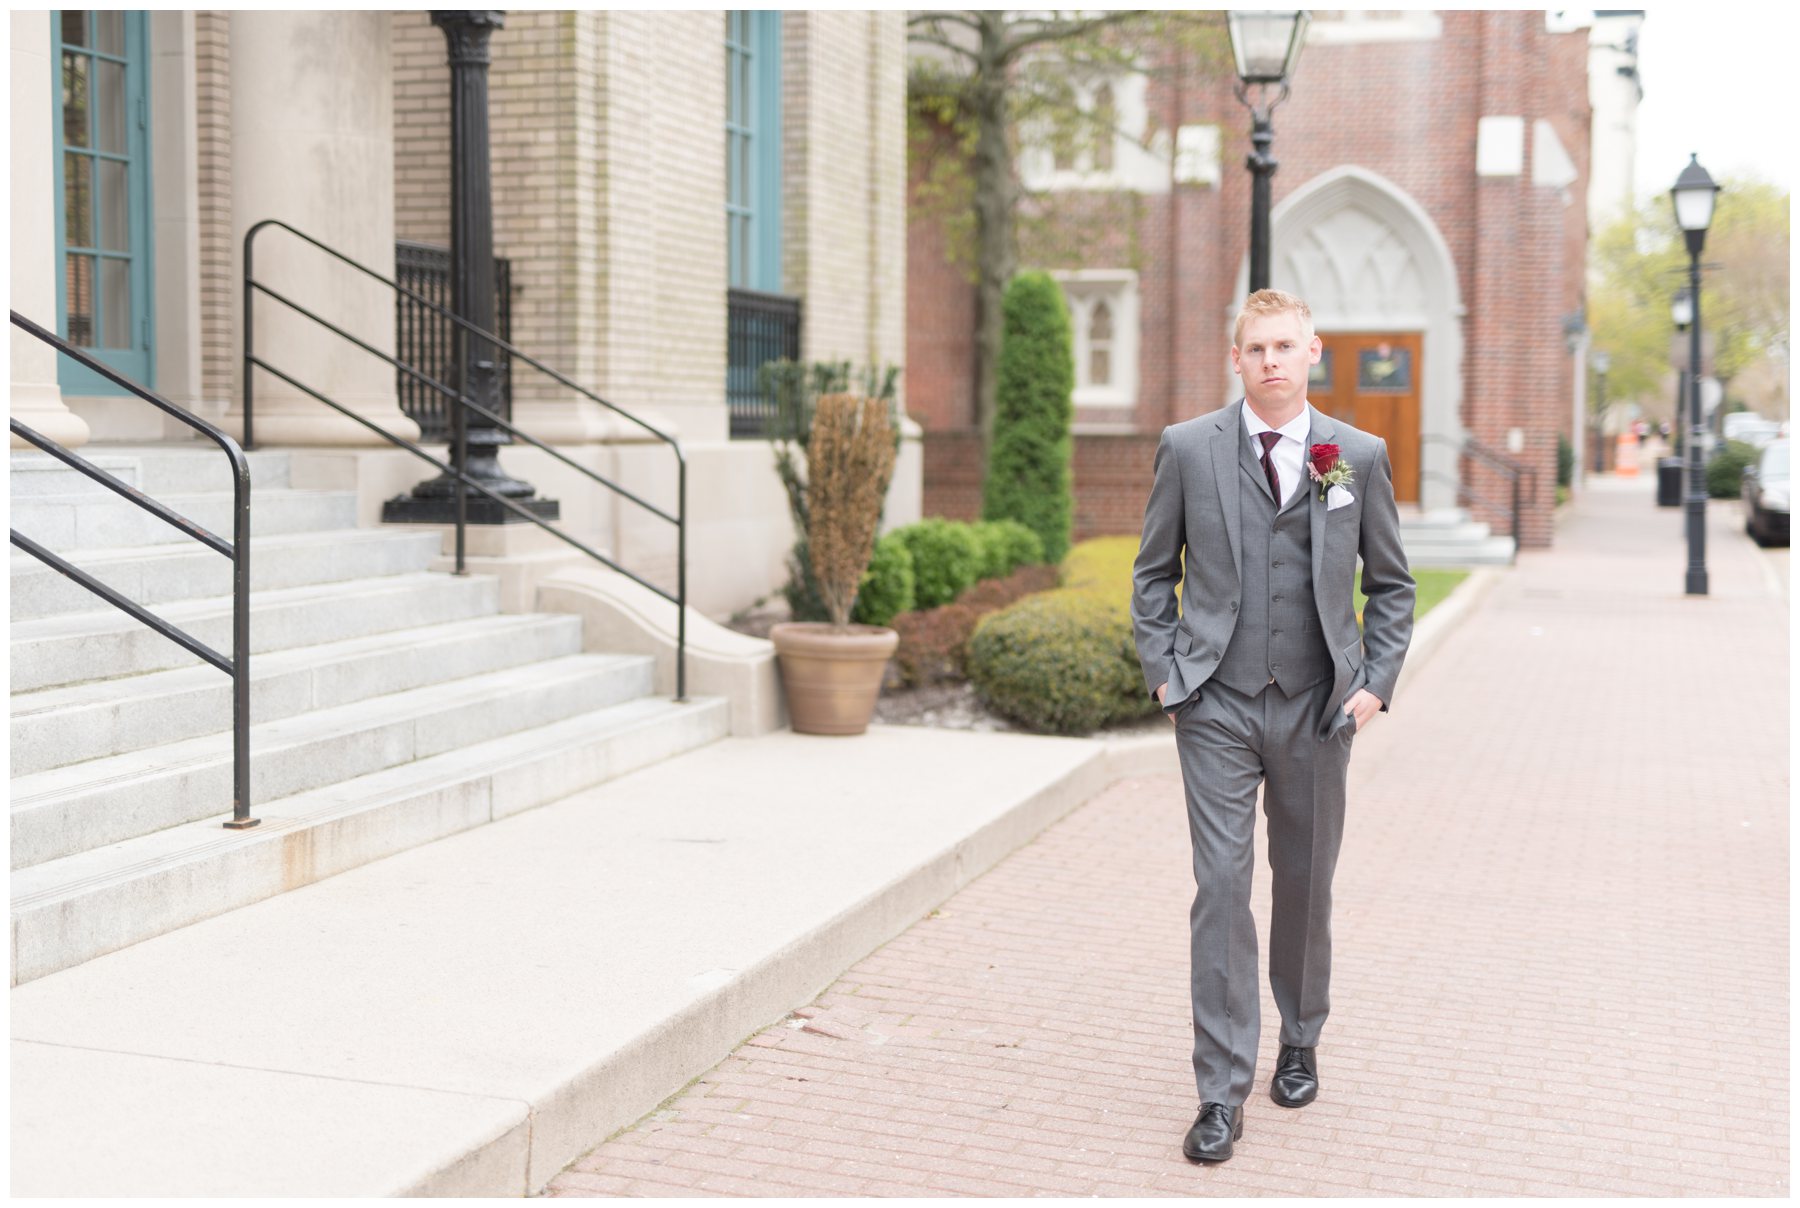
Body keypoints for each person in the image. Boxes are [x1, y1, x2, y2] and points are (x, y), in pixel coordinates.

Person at [1130, 289, 1415, 1164]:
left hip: (1318, 705)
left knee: (1303, 881)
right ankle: (1220, 1092)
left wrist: (1373, 684)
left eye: (1286, 346)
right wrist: (1169, 680)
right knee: (1220, 887)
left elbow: (1392, 585)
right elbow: (1152, 575)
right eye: (1257, 349)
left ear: (1313, 353)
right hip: (1214, 704)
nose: (1272, 362)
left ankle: (1300, 1035)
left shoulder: (1352, 455)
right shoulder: (1187, 448)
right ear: (1237, 359)